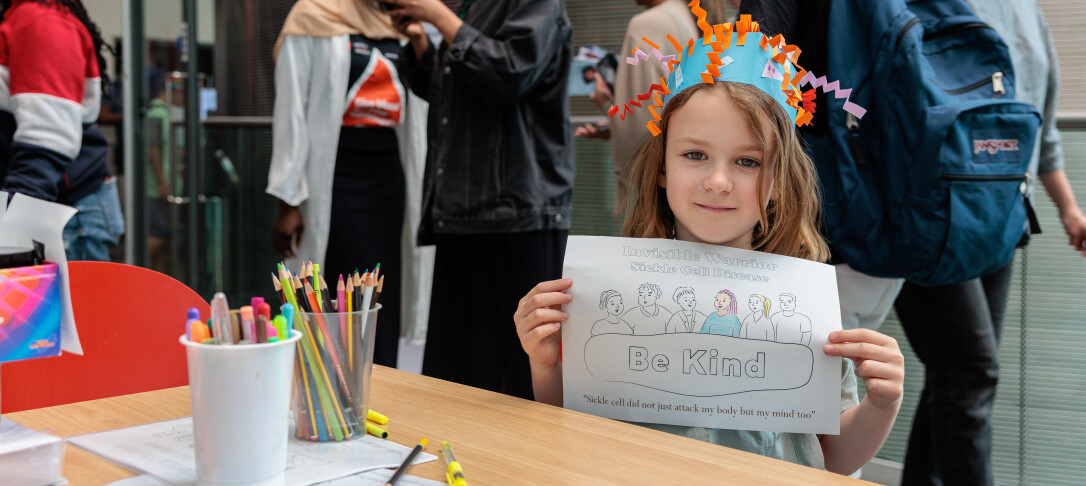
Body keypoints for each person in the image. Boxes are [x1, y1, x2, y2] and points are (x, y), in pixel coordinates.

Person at [514, 15, 904, 471]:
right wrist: (546, 365)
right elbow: (572, 426)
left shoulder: (805, 309)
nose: (718, 181)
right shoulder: (606, 294)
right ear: (663, 167)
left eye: (747, 161)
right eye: (695, 154)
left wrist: (882, 404)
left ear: (779, 180)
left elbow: (832, 460)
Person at [891, 2, 1086, 484]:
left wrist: (1068, 209)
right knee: (969, 369)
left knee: (957, 375)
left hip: (1003, 213)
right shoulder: (916, 7)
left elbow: (1040, 128)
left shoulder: (1028, 12)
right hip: (933, 212)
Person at [387, 0, 574, 399]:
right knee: (455, 383)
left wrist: (439, 17)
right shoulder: (471, 6)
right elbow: (447, 90)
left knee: (522, 385)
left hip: (520, 213)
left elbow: (511, 73)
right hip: (462, 210)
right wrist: (420, 40)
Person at [267, 0, 414, 367]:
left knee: (382, 291)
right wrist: (289, 202)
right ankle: (335, 389)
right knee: (342, 290)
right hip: (337, 175)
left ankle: (381, 382)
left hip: (388, 175)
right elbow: (291, 109)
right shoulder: (313, 14)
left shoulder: (399, 20)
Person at [574, 0, 732, 220]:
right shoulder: (689, 18)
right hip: (687, 185)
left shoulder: (649, 23)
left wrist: (605, 103)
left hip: (653, 192)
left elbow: (638, 128)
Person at [0, 0, 125, 261]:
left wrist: (14, 232)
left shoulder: (41, 20)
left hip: (61, 216)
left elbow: (47, 139)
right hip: (42, 209)